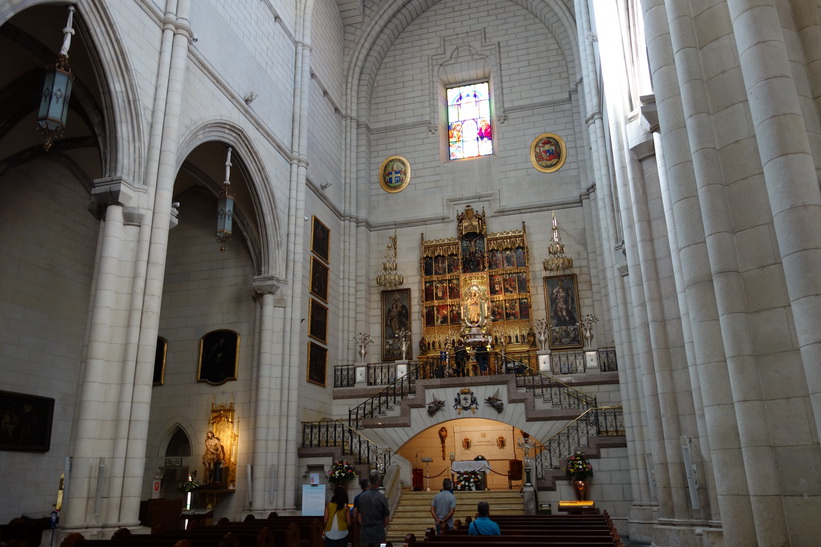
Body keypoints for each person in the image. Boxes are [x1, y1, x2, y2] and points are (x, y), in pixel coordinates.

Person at [357, 470, 390, 547]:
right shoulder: (382, 498)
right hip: (378, 535)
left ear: (369, 481)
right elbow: (386, 521)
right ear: (379, 481)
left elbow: (359, 516)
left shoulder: (362, 497)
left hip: (365, 534)